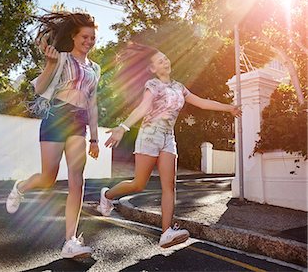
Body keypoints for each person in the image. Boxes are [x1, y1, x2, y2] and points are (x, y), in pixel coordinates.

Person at [98, 43, 242, 248]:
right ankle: (107, 195)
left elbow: (202, 102)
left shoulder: (179, 87)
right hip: (149, 136)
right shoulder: (152, 85)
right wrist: (123, 126)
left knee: (170, 186)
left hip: (168, 138)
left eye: (165, 58)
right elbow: (144, 107)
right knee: (139, 184)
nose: (165, 61)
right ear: (152, 69)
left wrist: (229, 108)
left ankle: (166, 232)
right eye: (160, 61)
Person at [5, 12, 101, 259]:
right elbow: (38, 88)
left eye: (92, 37)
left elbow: (92, 103)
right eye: (84, 36)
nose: (89, 41)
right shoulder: (61, 59)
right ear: (73, 36)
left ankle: (70, 241)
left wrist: (94, 138)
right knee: (48, 177)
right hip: (56, 117)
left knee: (77, 180)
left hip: (78, 122)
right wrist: (49, 64)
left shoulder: (95, 68)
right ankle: (21, 187)